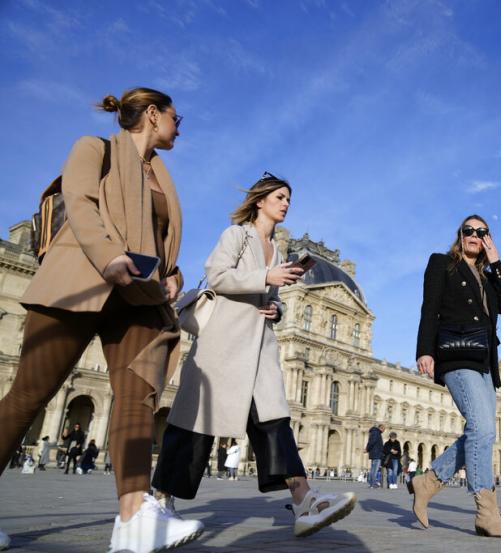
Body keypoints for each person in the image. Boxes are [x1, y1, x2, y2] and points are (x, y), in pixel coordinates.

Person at [0, 87, 203, 553]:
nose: (180, 125)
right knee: (28, 396)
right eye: (176, 116)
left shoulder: (161, 176)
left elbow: (158, 239)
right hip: (82, 279)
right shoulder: (94, 149)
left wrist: (172, 275)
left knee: (137, 398)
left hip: (138, 296)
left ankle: (134, 519)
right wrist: (109, 255)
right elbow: (80, 202)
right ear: (153, 115)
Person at [151, 172, 357, 537]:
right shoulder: (237, 235)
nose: (286, 203)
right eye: (280, 196)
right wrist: (267, 277)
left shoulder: (277, 250)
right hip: (225, 343)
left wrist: (277, 309)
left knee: (274, 419)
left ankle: (303, 500)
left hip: (260, 347)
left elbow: (271, 296)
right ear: (260, 201)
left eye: (289, 199)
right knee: (194, 426)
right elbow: (217, 276)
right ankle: (161, 499)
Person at [412, 214, 501, 538]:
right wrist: (424, 350)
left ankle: (427, 482)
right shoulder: (441, 263)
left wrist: (497, 263)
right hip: (456, 354)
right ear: (460, 235)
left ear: (487, 239)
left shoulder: (488, 277)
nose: (474, 235)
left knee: (481, 431)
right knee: (484, 428)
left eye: (481, 232)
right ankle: (486, 512)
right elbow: (429, 308)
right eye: (468, 230)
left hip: (484, 361)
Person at [365, 424, 385, 489]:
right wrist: (367, 449)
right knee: (375, 470)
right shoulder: (376, 433)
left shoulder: (374, 432)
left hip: (374, 453)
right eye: (384, 429)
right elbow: (372, 442)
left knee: (373, 469)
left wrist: (367, 449)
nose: (384, 431)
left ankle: (371, 483)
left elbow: (370, 442)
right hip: (377, 454)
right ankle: (373, 484)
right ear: (381, 428)